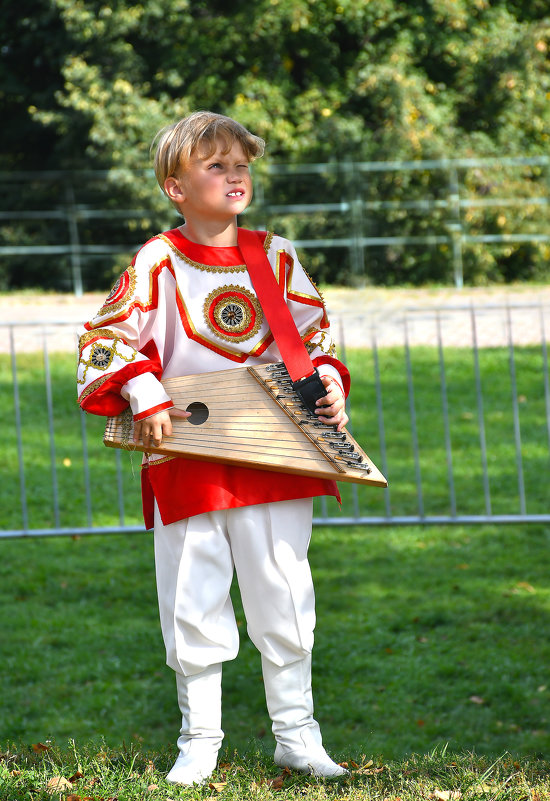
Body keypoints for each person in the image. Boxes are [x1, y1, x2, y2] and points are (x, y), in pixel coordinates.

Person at [77, 111, 351, 786]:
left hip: (277, 452)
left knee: (285, 592)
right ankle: (199, 738)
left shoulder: (275, 256)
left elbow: (316, 341)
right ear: (175, 186)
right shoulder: (156, 260)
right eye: (216, 165)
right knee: (192, 596)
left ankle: (298, 735)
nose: (235, 175)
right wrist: (140, 384)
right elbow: (103, 341)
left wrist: (331, 384)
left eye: (242, 164)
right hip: (188, 455)